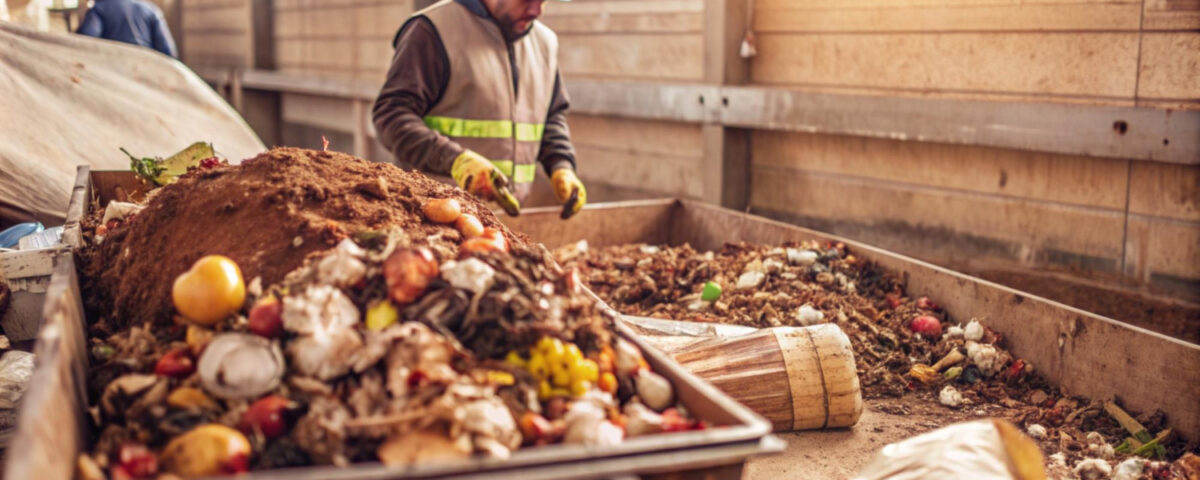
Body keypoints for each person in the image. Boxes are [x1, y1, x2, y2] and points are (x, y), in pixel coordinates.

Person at [372, 0, 586, 218]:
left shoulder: (545, 42)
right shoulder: (432, 30)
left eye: (543, 0)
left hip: (505, 221)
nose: (536, 11)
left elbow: (550, 115)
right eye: (527, 0)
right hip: (437, 218)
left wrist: (561, 164)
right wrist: (455, 161)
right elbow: (392, 116)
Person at [77, 0, 177, 58]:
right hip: (147, 65)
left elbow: (85, 41)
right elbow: (168, 51)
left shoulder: (99, 8)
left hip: (113, 67)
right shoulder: (151, 9)